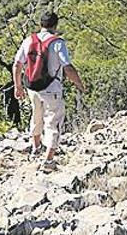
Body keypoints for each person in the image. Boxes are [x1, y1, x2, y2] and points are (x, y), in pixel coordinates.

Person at [13, 12, 86, 173]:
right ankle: (48, 159)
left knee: (36, 115)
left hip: (32, 87)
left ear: (41, 24)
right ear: (55, 25)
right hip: (51, 88)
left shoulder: (29, 40)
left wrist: (18, 86)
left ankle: (36, 146)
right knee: (53, 121)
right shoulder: (58, 43)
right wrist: (80, 84)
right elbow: (67, 67)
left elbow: (17, 64)